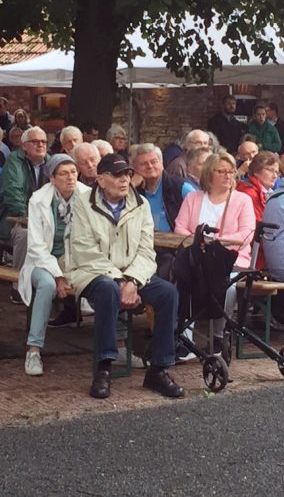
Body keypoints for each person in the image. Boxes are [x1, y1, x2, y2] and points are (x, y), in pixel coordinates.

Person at [66, 152, 184, 400]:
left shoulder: (139, 204)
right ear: (101, 179)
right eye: (117, 175)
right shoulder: (83, 204)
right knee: (108, 290)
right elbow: (84, 251)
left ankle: (159, 369)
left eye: (127, 174)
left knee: (167, 293)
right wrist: (120, 281)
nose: (124, 180)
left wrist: (132, 281)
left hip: (134, 274)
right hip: (93, 271)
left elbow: (145, 250)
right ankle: (104, 368)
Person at [173, 151, 256, 349]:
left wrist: (215, 242)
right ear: (209, 173)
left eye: (231, 172)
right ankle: (185, 338)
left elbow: (246, 234)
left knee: (228, 286)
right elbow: (180, 228)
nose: (229, 176)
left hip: (231, 259)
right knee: (182, 280)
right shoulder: (193, 198)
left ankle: (219, 336)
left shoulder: (242, 200)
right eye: (222, 171)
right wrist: (198, 243)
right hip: (197, 258)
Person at [19, 154, 89, 375]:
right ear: (52, 178)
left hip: (77, 261)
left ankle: (120, 347)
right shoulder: (38, 200)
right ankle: (33, 350)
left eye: (73, 172)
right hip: (43, 261)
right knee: (47, 285)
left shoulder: (88, 197)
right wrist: (58, 275)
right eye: (64, 173)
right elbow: (36, 246)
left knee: (108, 280)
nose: (70, 178)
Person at [0, 126, 49, 277]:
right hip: (14, 220)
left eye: (43, 141)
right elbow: (12, 192)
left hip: (46, 221)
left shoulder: (51, 163)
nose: (40, 145)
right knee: (25, 235)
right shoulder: (14, 160)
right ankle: (18, 283)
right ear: (24, 146)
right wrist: (28, 218)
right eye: (35, 141)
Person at [133, 143, 184, 233]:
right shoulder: (134, 189)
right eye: (144, 164)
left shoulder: (180, 186)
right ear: (135, 168)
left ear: (162, 164)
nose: (149, 166)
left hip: (173, 243)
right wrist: (132, 185)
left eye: (154, 162)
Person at [235, 150, 280, 227]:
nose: (275, 176)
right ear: (256, 171)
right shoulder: (248, 193)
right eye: (271, 170)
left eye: (277, 172)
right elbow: (258, 224)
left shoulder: (269, 193)